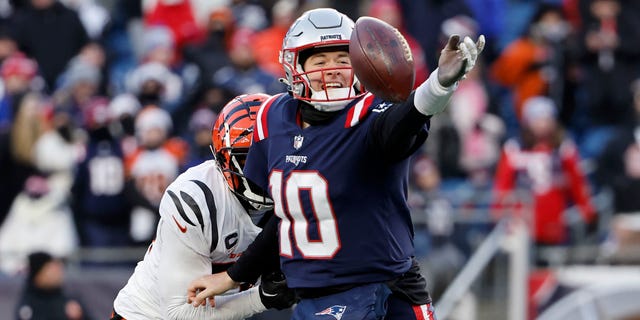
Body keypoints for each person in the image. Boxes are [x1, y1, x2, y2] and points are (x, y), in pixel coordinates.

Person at [187, 7, 484, 319]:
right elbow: (288, 216)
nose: (333, 69)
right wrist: (233, 275)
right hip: (316, 297)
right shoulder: (273, 118)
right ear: (294, 65)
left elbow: (408, 117)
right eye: (320, 60)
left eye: (343, 59)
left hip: (383, 287)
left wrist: (439, 85)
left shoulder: (372, 113)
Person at [110, 93, 296, 320]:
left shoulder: (302, 187)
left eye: (273, 156)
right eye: (250, 159)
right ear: (224, 160)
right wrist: (262, 298)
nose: (264, 170)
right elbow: (180, 313)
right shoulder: (196, 199)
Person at [15, 251, 88, 320]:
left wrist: (80, 317)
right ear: (39, 274)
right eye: (52, 270)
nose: (58, 274)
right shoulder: (27, 304)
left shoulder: (70, 301)